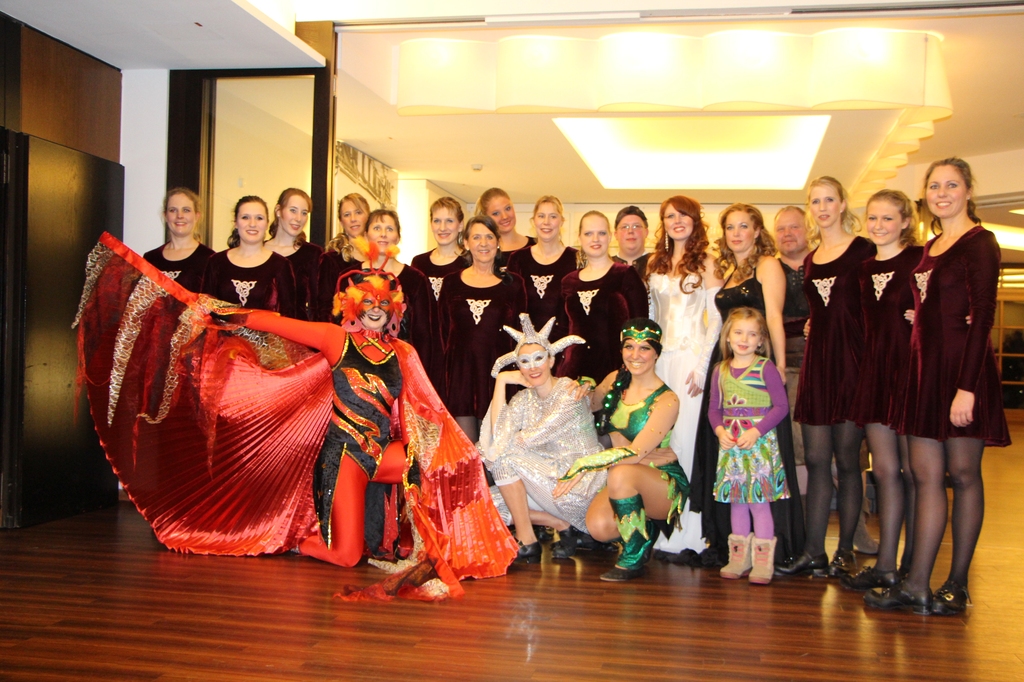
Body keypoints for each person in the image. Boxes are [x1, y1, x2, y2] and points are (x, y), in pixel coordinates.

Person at [75, 233, 518, 601]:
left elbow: (426, 408)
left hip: (382, 451)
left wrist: (457, 448)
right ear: (353, 305)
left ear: (394, 309)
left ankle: (444, 545)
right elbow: (272, 321)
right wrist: (212, 309)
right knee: (347, 557)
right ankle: (295, 537)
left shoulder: (403, 351)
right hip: (344, 457)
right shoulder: (334, 338)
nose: (375, 308)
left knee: (438, 459)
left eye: (383, 302)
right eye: (366, 301)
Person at [867, 158, 1009, 615]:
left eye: (951, 185)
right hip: (923, 373)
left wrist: (967, 389)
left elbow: (982, 316)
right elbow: (932, 302)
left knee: (964, 477)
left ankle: (958, 583)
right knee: (925, 476)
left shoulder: (980, 242)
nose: (942, 193)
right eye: (934, 186)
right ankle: (916, 585)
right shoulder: (930, 247)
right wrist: (921, 316)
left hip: (963, 372)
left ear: (968, 191)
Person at [692, 203, 805, 567]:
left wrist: (780, 365)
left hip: (758, 369)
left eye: (744, 226)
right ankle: (732, 547)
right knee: (727, 461)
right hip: (725, 365)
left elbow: (774, 316)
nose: (736, 233)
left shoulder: (767, 264)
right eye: (730, 227)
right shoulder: (728, 271)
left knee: (765, 466)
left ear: (757, 231)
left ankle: (773, 549)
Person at [778, 176, 876, 578]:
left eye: (829, 200)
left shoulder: (864, 249)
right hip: (817, 366)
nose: (822, 208)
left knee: (848, 462)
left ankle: (845, 551)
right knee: (817, 460)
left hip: (852, 366)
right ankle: (814, 551)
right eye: (815, 201)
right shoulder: (812, 258)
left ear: (842, 204)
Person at [554, 319, 688, 582]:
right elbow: (591, 403)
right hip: (626, 474)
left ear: (656, 353)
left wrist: (584, 464)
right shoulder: (616, 380)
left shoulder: (666, 399)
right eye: (629, 347)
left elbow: (635, 453)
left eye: (644, 348)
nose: (635, 355)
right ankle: (645, 529)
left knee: (621, 473)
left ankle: (634, 556)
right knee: (599, 527)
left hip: (661, 483)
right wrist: (584, 386)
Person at [842, 190, 923, 592]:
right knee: (885, 471)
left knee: (914, 472)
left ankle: (913, 564)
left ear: (905, 221)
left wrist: (927, 315)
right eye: (872, 218)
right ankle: (886, 564)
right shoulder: (863, 269)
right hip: (874, 376)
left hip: (911, 375)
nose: (878, 226)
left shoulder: (921, 260)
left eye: (888, 218)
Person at [479, 314, 603, 563]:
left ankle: (527, 541)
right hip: (544, 478)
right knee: (481, 503)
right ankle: (559, 524)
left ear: (551, 360)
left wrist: (495, 448)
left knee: (503, 457)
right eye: (524, 361)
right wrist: (502, 381)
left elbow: (505, 447)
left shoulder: (569, 394)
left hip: (578, 485)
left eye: (539, 358)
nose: (533, 367)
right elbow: (498, 435)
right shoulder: (524, 399)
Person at [645, 196, 723, 557]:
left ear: (695, 220)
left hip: (691, 361)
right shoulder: (654, 262)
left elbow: (716, 318)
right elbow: (651, 316)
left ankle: (689, 532)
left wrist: (703, 366)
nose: (677, 221)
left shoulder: (707, 262)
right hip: (659, 364)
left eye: (683, 215)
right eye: (669, 216)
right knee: (659, 441)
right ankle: (661, 525)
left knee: (686, 440)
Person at [710, 307, 790, 585]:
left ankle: (763, 562)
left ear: (761, 340)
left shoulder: (766, 368)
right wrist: (720, 431)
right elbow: (714, 409)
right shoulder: (720, 370)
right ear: (728, 336)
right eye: (739, 332)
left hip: (759, 446)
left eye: (752, 334)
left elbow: (781, 407)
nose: (744, 339)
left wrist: (756, 431)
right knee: (737, 502)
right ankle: (739, 558)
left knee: (758, 502)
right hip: (732, 447)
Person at [438, 215, 528, 442]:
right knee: (466, 450)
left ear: (498, 242)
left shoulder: (514, 284)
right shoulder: (450, 283)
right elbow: (442, 332)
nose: (483, 243)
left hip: (499, 376)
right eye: (476, 237)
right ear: (466, 243)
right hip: (461, 377)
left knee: (496, 449)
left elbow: (522, 334)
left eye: (489, 237)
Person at [559, 211, 648, 383]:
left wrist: (630, 369)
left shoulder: (625, 275)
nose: (595, 239)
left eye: (601, 233)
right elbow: (562, 331)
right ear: (579, 238)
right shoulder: (568, 282)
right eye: (588, 233)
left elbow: (640, 327)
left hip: (615, 371)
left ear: (610, 237)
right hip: (573, 373)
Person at [200, 195, 298, 317]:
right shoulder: (216, 262)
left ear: (267, 223)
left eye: (259, 218)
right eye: (245, 217)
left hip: (267, 330)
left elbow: (289, 316)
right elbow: (205, 313)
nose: (252, 224)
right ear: (236, 222)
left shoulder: (281, 265)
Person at [411, 196, 468, 400]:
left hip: (456, 352)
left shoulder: (468, 263)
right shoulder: (419, 263)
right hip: (424, 350)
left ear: (460, 225)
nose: (442, 227)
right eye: (437, 221)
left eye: (449, 221)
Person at [359, 209, 433, 363]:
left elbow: (423, 334)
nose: (383, 234)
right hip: (357, 362)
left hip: (400, 363)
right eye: (377, 228)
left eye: (389, 229)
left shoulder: (416, 279)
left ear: (398, 237)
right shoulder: (351, 277)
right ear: (366, 235)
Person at [506, 196, 577, 349]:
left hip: (563, 348)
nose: (546, 222)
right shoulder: (517, 259)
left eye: (553, 216)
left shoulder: (576, 259)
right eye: (541, 216)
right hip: (525, 350)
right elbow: (510, 308)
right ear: (533, 221)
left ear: (562, 221)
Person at [143, 187, 214, 293]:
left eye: (186, 210)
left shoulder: (210, 259)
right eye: (173, 210)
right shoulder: (150, 258)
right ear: (165, 216)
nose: (179, 216)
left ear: (197, 216)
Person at [265, 188, 322, 320]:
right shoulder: (259, 250)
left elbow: (317, 304)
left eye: (304, 213)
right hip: (260, 329)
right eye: (293, 210)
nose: (298, 218)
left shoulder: (313, 254)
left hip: (298, 329)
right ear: (278, 210)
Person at [316, 192, 370, 321]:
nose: (353, 219)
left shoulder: (380, 258)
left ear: (368, 216)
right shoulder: (331, 259)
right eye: (347, 214)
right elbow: (324, 307)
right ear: (341, 222)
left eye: (358, 212)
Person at [476, 187, 534, 269]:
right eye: (496, 213)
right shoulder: (483, 253)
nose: (504, 216)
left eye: (508, 208)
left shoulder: (536, 245)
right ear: (486, 218)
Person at [611, 205, 650, 277]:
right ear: (616, 234)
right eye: (625, 227)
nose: (630, 231)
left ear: (646, 232)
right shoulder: (606, 266)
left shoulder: (658, 264)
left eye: (636, 226)